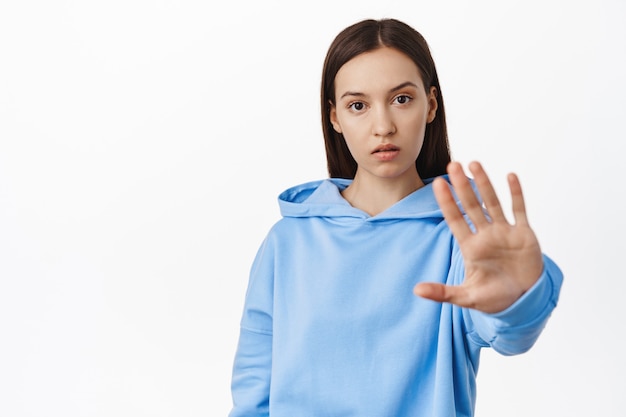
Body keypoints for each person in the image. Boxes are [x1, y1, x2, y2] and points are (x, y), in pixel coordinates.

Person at [228, 17, 563, 417]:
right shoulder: (287, 242)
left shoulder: (461, 241)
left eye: (401, 99)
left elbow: (510, 334)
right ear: (335, 118)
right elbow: (253, 397)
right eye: (358, 106)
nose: (383, 126)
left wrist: (518, 299)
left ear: (431, 105)